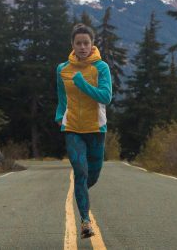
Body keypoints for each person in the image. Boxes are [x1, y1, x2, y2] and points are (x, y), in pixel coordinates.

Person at [55, 23, 112, 239]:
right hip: (72, 129)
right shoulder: (62, 69)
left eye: (86, 43)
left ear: (92, 44)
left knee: (93, 176)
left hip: (96, 129)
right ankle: (85, 221)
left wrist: (81, 84)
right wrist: (60, 116)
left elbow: (106, 97)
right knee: (81, 172)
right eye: (78, 43)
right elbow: (62, 98)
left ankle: (80, 194)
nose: (82, 47)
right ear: (72, 44)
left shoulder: (101, 67)